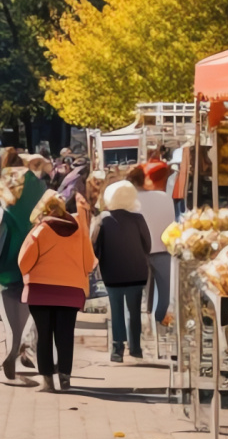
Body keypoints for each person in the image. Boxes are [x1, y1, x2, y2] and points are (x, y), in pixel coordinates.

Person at [17, 192, 95, 390]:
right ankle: (65, 377)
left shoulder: (40, 230)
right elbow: (89, 263)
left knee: (44, 336)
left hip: (41, 291)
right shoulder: (80, 231)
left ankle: (47, 381)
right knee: (65, 335)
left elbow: (24, 262)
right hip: (71, 291)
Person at [0, 166, 44, 383]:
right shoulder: (40, 212)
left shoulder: (4, 212)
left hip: (5, 272)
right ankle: (19, 349)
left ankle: (12, 349)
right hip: (31, 271)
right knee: (25, 316)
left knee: (10, 321)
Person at [92, 180, 152, 363]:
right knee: (134, 311)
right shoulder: (138, 218)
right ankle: (136, 347)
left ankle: (117, 348)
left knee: (116, 309)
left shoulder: (103, 218)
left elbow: (95, 247)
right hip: (136, 272)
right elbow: (147, 246)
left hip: (112, 273)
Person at [134, 164, 175, 328]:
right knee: (165, 293)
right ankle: (160, 323)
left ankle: (137, 328)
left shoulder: (132, 200)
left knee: (136, 295)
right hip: (164, 250)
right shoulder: (164, 197)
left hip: (138, 252)